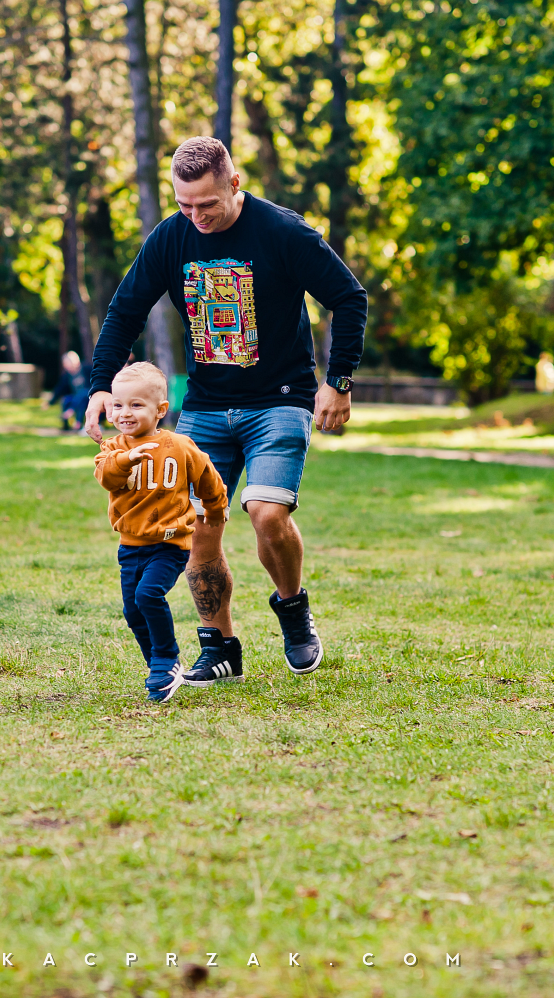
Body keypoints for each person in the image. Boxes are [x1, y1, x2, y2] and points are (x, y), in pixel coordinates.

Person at [84, 136, 367, 683]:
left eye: (207, 205)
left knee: (265, 512)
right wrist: (101, 384)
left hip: (278, 401)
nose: (196, 217)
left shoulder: (283, 231)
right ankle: (220, 648)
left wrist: (338, 380)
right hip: (207, 407)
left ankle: (292, 609)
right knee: (190, 528)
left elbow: (348, 296)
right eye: (184, 205)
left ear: (234, 185)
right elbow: (124, 312)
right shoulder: (170, 239)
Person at [93, 362, 227, 702]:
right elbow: (106, 476)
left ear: (160, 410)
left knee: (148, 595)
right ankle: (160, 664)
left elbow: (209, 479)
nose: (126, 413)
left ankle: (166, 657)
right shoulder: (113, 448)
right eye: (119, 405)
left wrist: (215, 510)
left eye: (137, 405)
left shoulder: (180, 446)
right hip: (130, 546)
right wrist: (126, 460)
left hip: (169, 544)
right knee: (132, 611)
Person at [49, 350, 89, 430]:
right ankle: (66, 425)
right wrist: (50, 402)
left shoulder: (86, 369)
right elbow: (59, 389)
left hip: (88, 396)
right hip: (75, 397)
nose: (66, 366)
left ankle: (75, 417)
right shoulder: (67, 375)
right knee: (66, 399)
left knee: (82, 395)